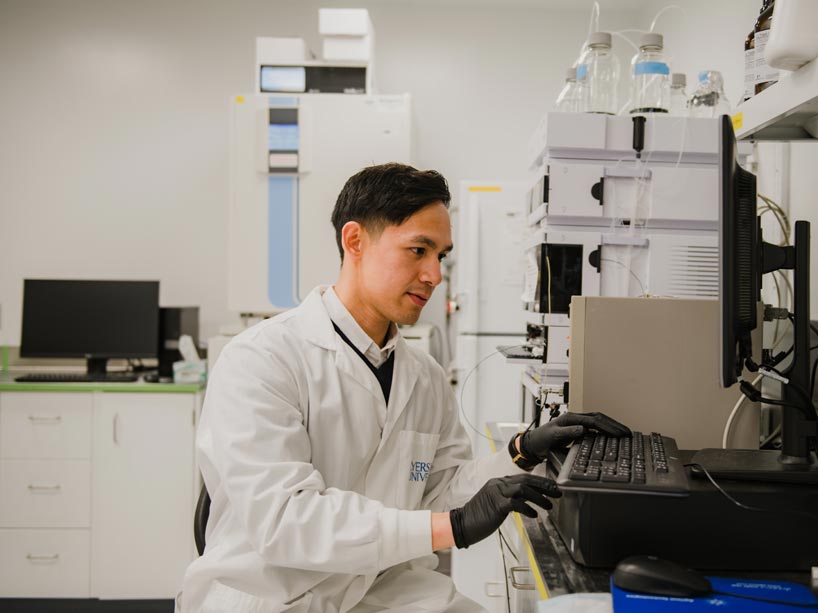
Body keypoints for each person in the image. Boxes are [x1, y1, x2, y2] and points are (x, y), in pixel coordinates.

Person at [178, 163, 629, 612]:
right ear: (355, 241)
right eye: (418, 250)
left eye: (441, 256)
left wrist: (521, 452)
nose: (434, 275)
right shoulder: (262, 358)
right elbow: (285, 522)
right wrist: (452, 527)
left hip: (379, 586)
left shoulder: (424, 376)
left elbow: (440, 490)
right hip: (272, 596)